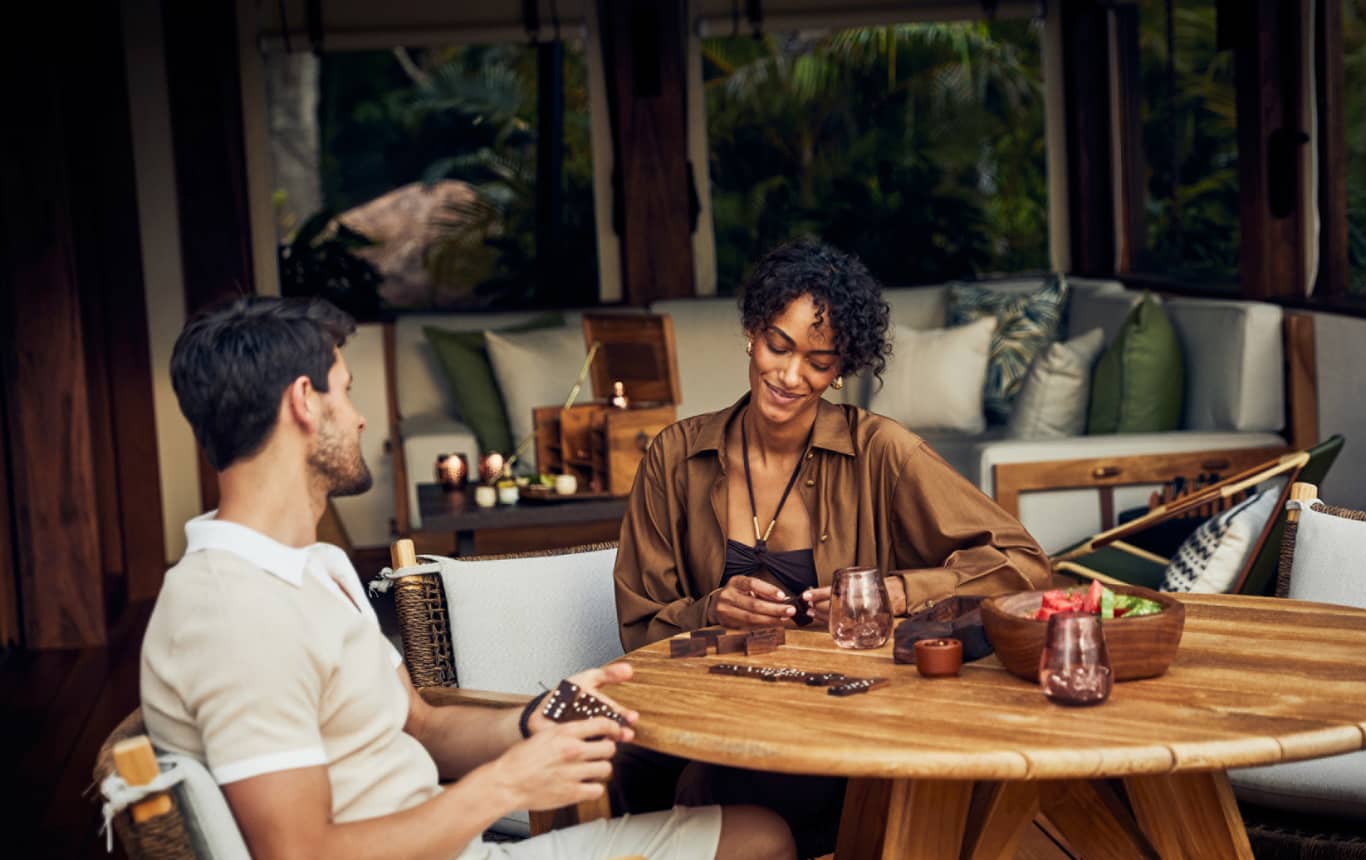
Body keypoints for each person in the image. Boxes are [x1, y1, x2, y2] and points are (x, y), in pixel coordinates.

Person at [141, 296, 793, 860]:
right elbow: (300, 852)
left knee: (758, 832)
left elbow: (420, 727)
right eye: (346, 389)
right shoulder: (235, 615)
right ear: (304, 402)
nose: (360, 416)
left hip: (450, 843)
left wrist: (542, 717)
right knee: (758, 843)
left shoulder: (314, 565)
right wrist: (508, 785)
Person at [610, 238, 1051, 855]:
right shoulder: (675, 457)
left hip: (838, 724)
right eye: (778, 346)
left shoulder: (882, 452)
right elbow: (640, 626)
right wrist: (712, 610)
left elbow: (1025, 567)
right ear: (752, 332)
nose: (790, 377)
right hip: (704, 711)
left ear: (843, 368)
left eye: (819, 362)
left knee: (708, 787)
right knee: (606, 765)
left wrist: (895, 595)